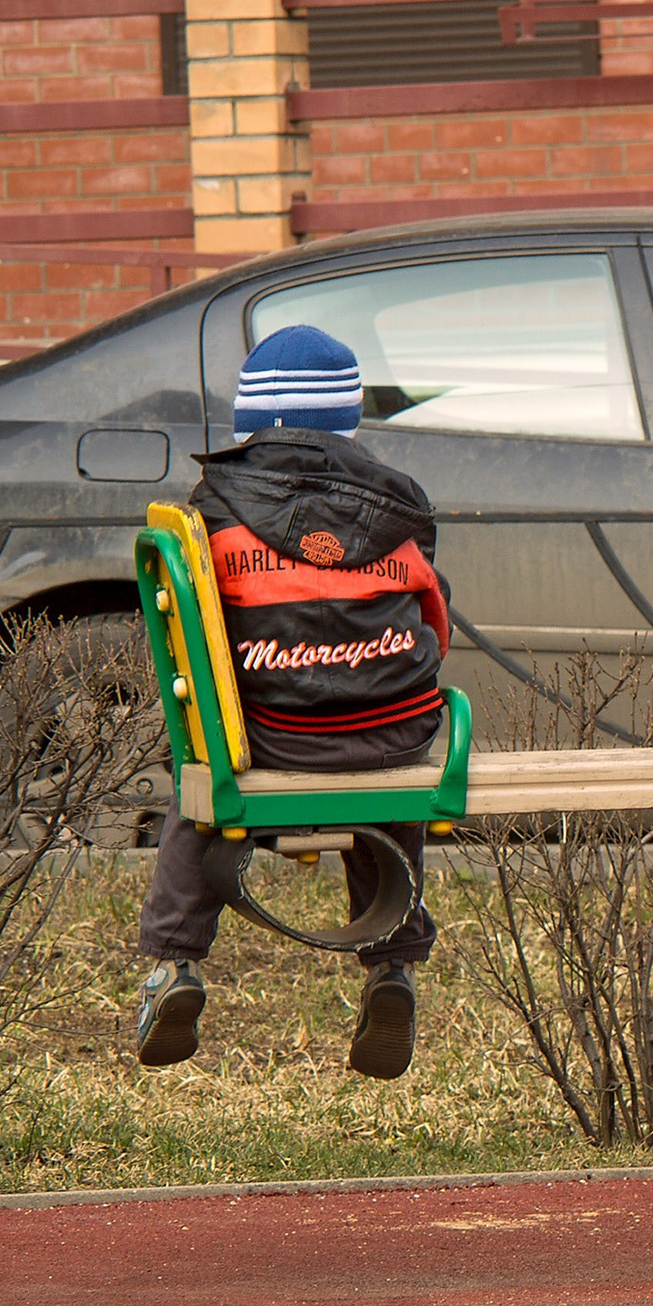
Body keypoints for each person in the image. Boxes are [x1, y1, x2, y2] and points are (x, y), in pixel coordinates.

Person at [131, 325, 452, 1081]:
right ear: (347, 420)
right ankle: (392, 968)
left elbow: (198, 648)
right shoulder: (400, 504)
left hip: (266, 736)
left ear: (252, 422)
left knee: (200, 780)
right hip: (392, 730)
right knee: (388, 775)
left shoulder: (213, 511)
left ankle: (174, 964)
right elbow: (434, 622)